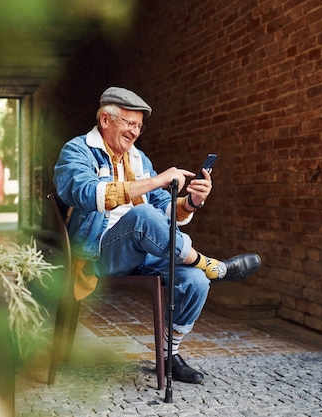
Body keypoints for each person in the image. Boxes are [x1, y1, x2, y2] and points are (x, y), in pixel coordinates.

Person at [53, 86, 261, 384]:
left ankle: (169, 355)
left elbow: (164, 210)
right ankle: (212, 264)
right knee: (142, 216)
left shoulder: (138, 159)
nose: (136, 132)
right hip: (98, 253)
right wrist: (155, 181)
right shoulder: (77, 151)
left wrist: (191, 202)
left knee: (195, 280)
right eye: (129, 123)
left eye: (139, 126)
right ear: (104, 120)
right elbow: (84, 193)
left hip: (142, 251)